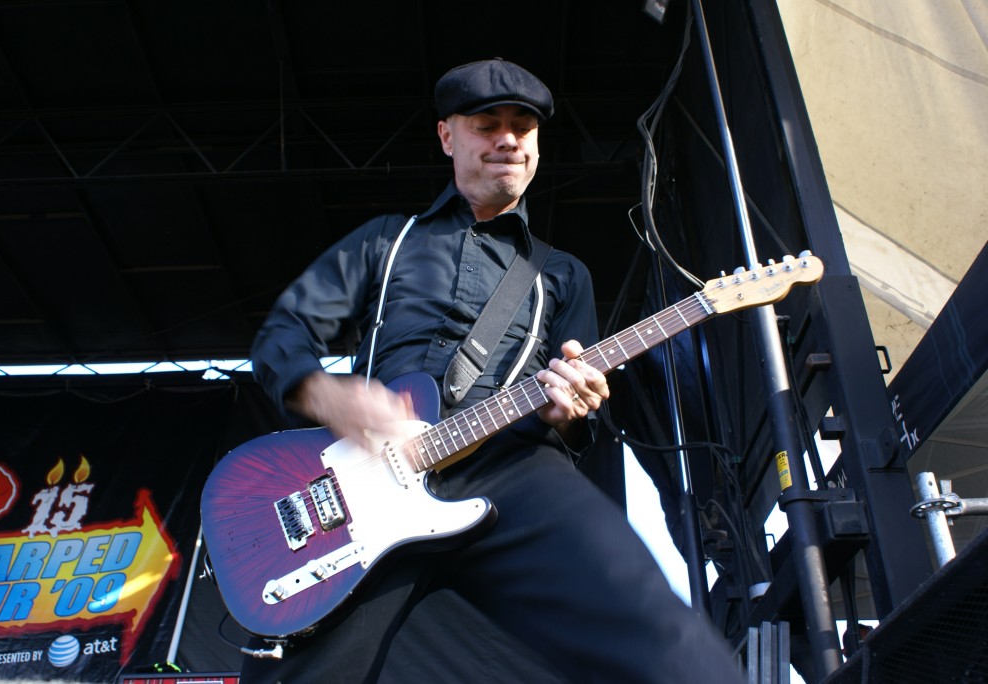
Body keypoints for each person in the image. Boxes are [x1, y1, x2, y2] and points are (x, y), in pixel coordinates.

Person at [245, 58, 745, 683]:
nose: (508, 139)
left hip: (512, 464)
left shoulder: (563, 273)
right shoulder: (387, 242)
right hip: (371, 482)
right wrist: (333, 397)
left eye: (523, 128)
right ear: (448, 136)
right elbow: (281, 338)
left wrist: (570, 409)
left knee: (661, 637)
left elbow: (576, 413)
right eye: (487, 124)